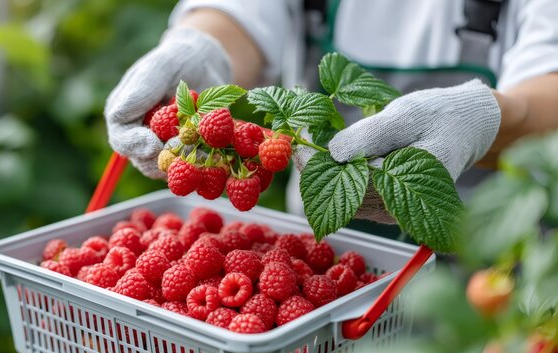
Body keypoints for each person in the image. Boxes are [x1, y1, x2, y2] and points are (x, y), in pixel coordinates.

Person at [104, 0, 558, 222]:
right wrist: (202, 48)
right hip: (320, 265)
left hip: (485, 266)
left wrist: (489, 118)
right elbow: (239, 14)